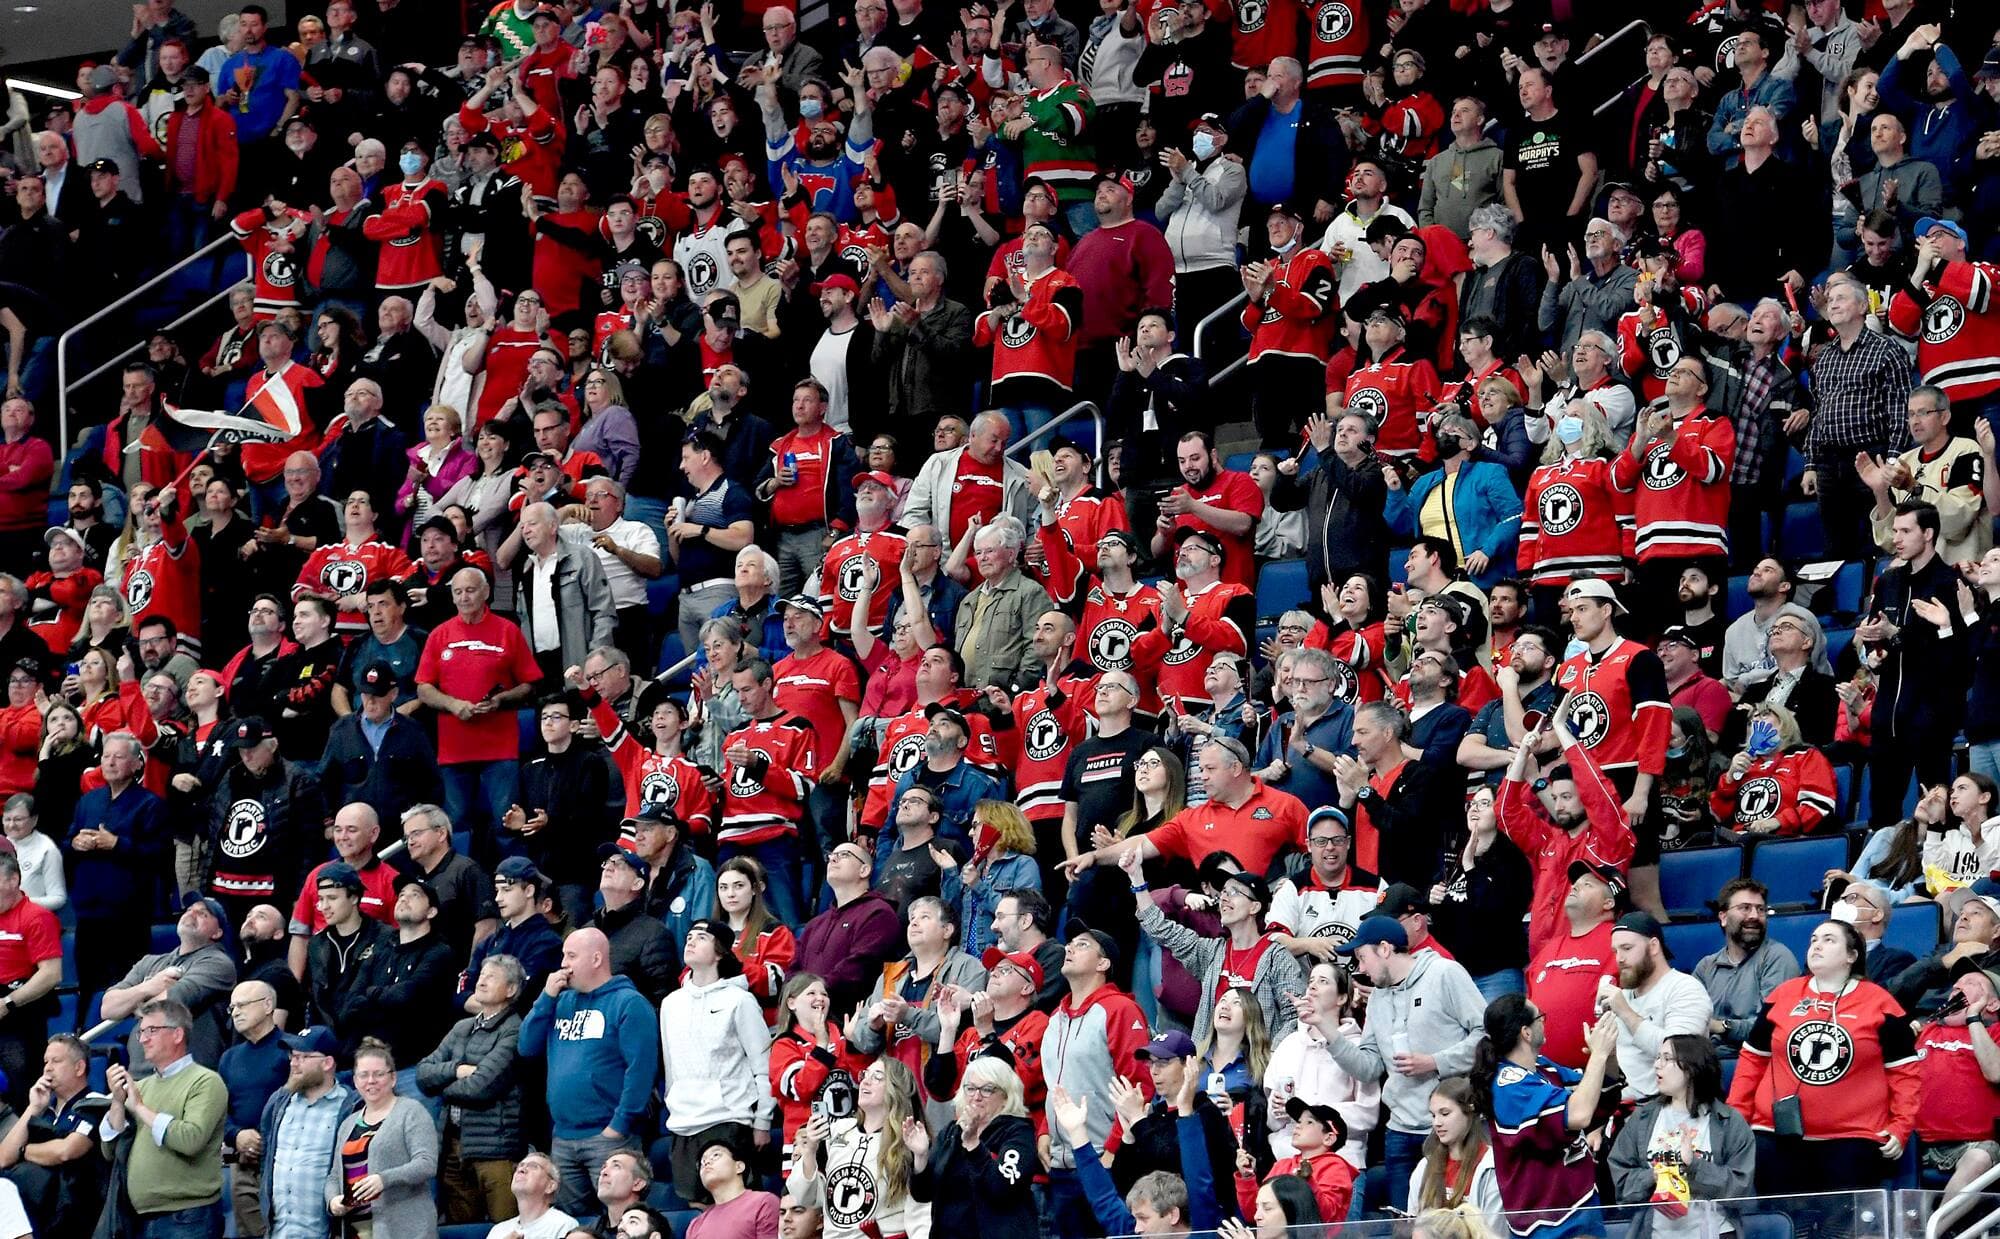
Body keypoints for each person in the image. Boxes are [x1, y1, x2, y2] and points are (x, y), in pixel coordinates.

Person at [1728, 920, 1919, 1194]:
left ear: (1852, 956)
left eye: (1829, 940)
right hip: (1775, 1133)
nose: (1816, 945)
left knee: (1839, 1229)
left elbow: (1904, 1072)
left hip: (1852, 1137)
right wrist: (1737, 1118)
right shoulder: (1782, 996)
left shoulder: (1881, 1003)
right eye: (1814, 939)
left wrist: (1901, 1125)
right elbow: (1752, 1061)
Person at [1327, 917, 1486, 1212]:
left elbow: (1485, 1036)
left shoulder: (1444, 974)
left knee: (1455, 1223)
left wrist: (1436, 1062)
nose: (1360, 969)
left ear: (1385, 949)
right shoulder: (1377, 999)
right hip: (1399, 1131)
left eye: (1362, 957)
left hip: (1449, 1128)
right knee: (1406, 1225)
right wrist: (1329, 1033)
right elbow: (1370, 1067)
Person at [520, 927, 659, 1217]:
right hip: (563, 1136)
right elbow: (526, 1046)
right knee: (573, 1225)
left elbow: (641, 1070)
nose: (564, 964)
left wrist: (619, 1125)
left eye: (571, 956)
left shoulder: (629, 1003)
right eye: (563, 956)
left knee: (620, 1219)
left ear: (596, 959)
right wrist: (545, 997)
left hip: (609, 1136)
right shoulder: (561, 1001)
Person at [415, 567, 542, 861]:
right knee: (455, 825)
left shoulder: (507, 630)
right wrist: (452, 704)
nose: (464, 597)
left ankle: (516, 881)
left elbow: (530, 685)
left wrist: (501, 699)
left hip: (499, 747)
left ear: (486, 592)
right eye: (457, 592)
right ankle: (460, 883)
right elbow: (423, 688)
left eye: (470, 590)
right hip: (454, 748)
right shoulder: (439, 634)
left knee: (506, 823)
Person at [1472, 993, 1622, 1239]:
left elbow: (1598, 1097)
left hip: (1580, 1202)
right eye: (1540, 1018)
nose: (1545, 1022)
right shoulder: (1508, 1086)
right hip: (1545, 1222)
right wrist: (1597, 1056)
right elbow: (1580, 1114)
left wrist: (1609, 1056)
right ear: (1526, 1033)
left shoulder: (1543, 1067)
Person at [660, 918, 773, 1205]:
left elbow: (763, 1065)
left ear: (720, 951)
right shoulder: (671, 1003)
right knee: (697, 1208)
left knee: (734, 1205)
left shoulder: (740, 1000)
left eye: (701, 937)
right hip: (683, 1123)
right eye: (689, 936)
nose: (691, 941)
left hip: (728, 1118)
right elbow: (671, 1067)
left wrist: (762, 1120)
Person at [99, 998, 229, 1238]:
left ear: (177, 1034)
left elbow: (191, 1139)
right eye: (141, 1032)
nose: (144, 1039)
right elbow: (111, 1151)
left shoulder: (205, 1081)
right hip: (139, 1217)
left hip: (188, 1217)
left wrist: (138, 1106)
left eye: (152, 1031)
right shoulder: (143, 1086)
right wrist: (118, 1102)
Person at [1608, 1034, 1757, 1239]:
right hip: (1656, 1234)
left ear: (1691, 1067)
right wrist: (1654, 1175)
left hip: (1716, 1233)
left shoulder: (1729, 1122)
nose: (1657, 1066)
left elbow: (1740, 1190)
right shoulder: (1642, 1119)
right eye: (1657, 1057)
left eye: (1666, 1059)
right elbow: (1622, 1185)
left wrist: (1694, 1166)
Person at [416, 951, 525, 1226]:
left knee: (507, 1227)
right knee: (459, 1228)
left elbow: (481, 1086)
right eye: (482, 974)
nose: (482, 980)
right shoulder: (462, 1027)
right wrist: (456, 1070)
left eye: (492, 977)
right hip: (453, 1146)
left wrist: (442, 1086)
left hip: (496, 1151)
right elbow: (422, 1073)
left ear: (511, 989)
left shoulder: (513, 1029)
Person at [786, 1057, 929, 1239]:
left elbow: (922, 1207)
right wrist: (810, 1151)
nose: (865, 1081)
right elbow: (803, 1197)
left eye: (877, 1077)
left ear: (897, 1088)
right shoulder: (838, 1130)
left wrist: (921, 1155)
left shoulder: (911, 1138)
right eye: (865, 1074)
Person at [907, 1056, 1040, 1239]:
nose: (976, 1096)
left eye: (987, 1090)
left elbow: (1002, 1190)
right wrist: (920, 1156)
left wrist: (973, 1145)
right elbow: (923, 1194)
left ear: (1006, 1096)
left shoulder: (1018, 1132)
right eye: (970, 1088)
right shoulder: (951, 1132)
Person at [102, 898, 237, 1072]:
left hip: (186, 1076)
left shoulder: (218, 963)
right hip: (139, 1074)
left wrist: (132, 1004)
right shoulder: (150, 962)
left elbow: (168, 1005)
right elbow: (108, 1007)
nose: (191, 914)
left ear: (217, 932)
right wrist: (150, 986)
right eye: (189, 909)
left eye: (203, 913)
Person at [323, 1039, 438, 1239]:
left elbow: (426, 1164)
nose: (371, 1081)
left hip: (404, 1229)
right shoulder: (348, 1123)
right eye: (364, 1075)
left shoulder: (411, 1112)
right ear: (355, 1080)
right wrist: (333, 1201)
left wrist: (384, 1179)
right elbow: (334, 1175)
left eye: (378, 1074)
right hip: (357, 1228)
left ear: (393, 1078)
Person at [254, 1025, 359, 1239]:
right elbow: (266, 1152)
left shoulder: (350, 1106)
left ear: (327, 1063)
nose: (294, 1063)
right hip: (278, 1232)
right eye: (292, 1056)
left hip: (325, 1231)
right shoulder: (280, 1101)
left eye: (303, 1057)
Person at [1407, 1076, 1502, 1236]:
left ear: (1469, 1112)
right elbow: (1414, 1226)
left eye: (1445, 1113)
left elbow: (1491, 1232)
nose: (1437, 1122)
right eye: (1433, 1115)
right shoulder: (1425, 1166)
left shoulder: (1492, 1167)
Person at [685, 1134, 781, 1239]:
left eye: (716, 1155)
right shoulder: (695, 1225)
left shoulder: (764, 1203)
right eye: (702, 1162)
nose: (707, 1162)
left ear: (739, 1166)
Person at [491, 1151, 578, 1239]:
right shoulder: (498, 1230)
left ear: (550, 1186)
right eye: (520, 1166)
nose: (521, 1170)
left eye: (533, 1166)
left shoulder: (564, 1226)